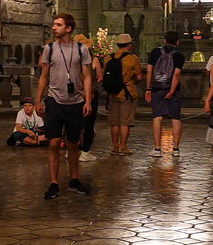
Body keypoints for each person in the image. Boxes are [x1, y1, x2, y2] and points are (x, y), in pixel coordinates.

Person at [37, 13, 93, 199]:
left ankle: (74, 179)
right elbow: (44, 76)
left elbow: (86, 76)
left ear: (68, 28)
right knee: (53, 141)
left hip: (75, 101)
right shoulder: (49, 49)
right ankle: (53, 182)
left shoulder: (82, 49)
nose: (54, 28)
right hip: (54, 99)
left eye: (58, 25)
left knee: (72, 143)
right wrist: (38, 99)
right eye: (53, 24)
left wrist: (88, 100)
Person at [145, 30, 186, 158]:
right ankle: (176, 149)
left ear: (164, 40)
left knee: (157, 117)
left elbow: (149, 70)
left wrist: (148, 89)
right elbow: (177, 74)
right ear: (177, 42)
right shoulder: (179, 55)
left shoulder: (155, 52)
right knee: (175, 118)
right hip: (172, 90)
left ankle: (157, 149)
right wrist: (172, 91)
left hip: (157, 88)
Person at [104, 33, 142, 156]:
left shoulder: (109, 58)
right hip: (127, 92)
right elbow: (139, 76)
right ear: (129, 45)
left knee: (114, 122)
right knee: (125, 122)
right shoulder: (133, 58)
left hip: (112, 93)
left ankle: (114, 146)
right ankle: (123, 146)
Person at [75, 33, 104, 162]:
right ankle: (85, 151)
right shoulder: (93, 59)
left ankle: (71, 149)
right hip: (89, 95)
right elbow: (100, 76)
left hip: (74, 95)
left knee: (74, 122)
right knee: (88, 123)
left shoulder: (71, 59)